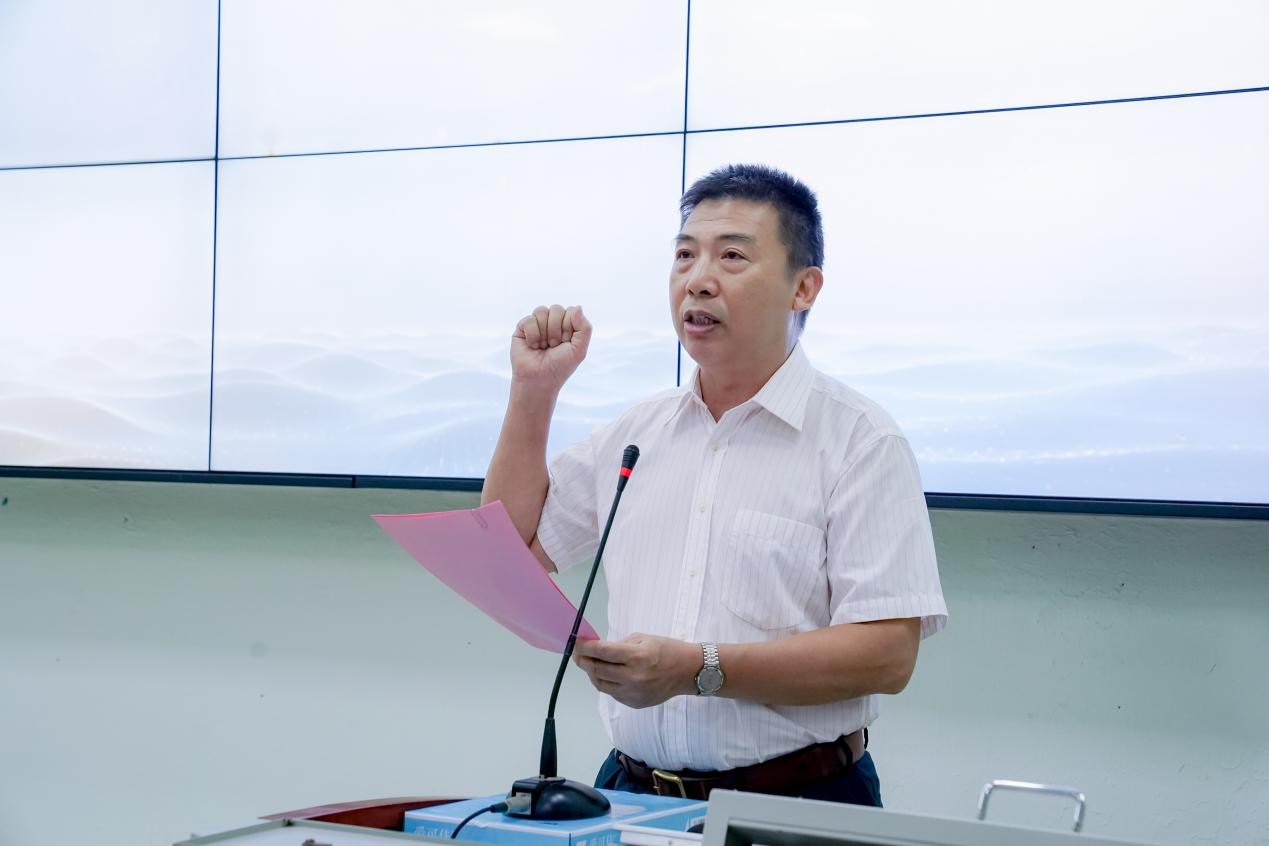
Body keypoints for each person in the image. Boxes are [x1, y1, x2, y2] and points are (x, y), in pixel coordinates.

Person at [482, 164, 946, 805]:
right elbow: (507, 555)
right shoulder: (637, 433)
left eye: (732, 257)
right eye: (684, 255)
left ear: (803, 288)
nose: (698, 279)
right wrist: (534, 391)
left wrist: (697, 669)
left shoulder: (861, 441)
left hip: (798, 799)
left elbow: (887, 655)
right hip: (630, 792)